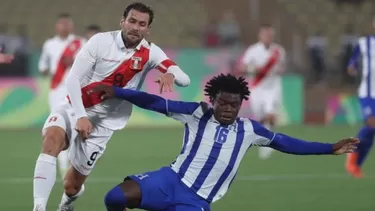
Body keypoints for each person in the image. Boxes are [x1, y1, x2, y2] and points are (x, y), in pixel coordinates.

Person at [90, 73, 359, 211]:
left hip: (195, 201)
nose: (229, 108)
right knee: (114, 197)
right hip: (168, 180)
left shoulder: (249, 129)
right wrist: (117, 91)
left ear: (241, 104)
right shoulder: (196, 113)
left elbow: (285, 142)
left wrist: (329, 147)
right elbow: (154, 102)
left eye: (235, 103)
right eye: (223, 102)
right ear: (213, 100)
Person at [32, 2, 190, 211]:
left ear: (148, 28)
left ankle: (66, 203)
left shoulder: (151, 53)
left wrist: (170, 72)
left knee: (72, 186)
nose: (135, 27)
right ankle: (39, 207)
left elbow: (185, 79)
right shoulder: (100, 42)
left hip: (106, 123)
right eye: (132, 21)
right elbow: (72, 80)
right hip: (75, 107)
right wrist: (80, 115)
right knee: (51, 140)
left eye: (142, 24)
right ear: (122, 21)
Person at [38, 13, 86, 179]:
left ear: (71, 26)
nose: (64, 26)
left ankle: (76, 165)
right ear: (56, 26)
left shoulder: (80, 43)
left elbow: (88, 65)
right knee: (57, 128)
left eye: (67, 23)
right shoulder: (49, 45)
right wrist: (47, 70)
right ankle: (62, 166)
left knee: (76, 127)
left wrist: (72, 62)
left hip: (76, 91)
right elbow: (43, 67)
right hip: (56, 91)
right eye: (62, 23)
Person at [237, 24, 286, 160]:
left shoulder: (278, 50)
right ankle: (266, 138)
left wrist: (278, 70)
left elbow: (282, 67)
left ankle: (268, 145)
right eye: (265, 34)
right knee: (261, 117)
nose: (267, 37)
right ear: (260, 35)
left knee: (270, 115)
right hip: (257, 87)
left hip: (273, 87)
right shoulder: (253, 50)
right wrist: (253, 68)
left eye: (270, 35)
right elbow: (242, 66)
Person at [346, 16, 375, 178]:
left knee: (372, 132)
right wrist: (352, 67)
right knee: (372, 123)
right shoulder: (364, 43)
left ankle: (356, 164)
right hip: (368, 92)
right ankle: (352, 150)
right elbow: (353, 61)